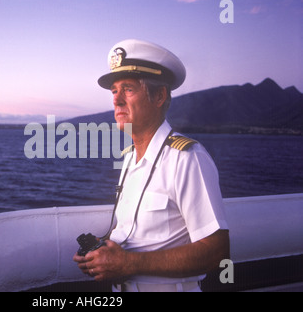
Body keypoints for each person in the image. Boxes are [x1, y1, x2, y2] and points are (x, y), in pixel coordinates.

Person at [73, 39, 230, 292]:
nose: (117, 101)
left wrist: (128, 264)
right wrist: (101, 254)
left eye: (128, 89)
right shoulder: (130, 159)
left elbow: (217, 252)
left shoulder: (187, 158)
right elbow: (134, 232)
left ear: (159, 96)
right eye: (114, 91)